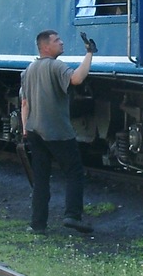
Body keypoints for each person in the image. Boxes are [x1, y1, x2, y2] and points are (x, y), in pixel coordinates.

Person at [20, 29, 95, 235]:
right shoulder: (56, 66)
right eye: (57, 40)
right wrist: (89, 54)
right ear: (46, 47)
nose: (61, 43)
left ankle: (37, 224)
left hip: (34, 131)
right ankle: (72, 215)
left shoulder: (29, 70)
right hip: (57, 132)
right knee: (74, 172)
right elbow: (77, 79)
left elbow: (25, 103)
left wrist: (25, 130)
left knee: (41, 179)